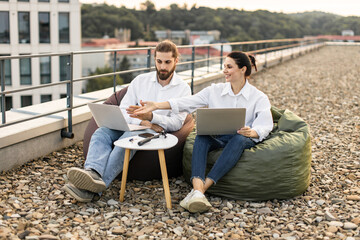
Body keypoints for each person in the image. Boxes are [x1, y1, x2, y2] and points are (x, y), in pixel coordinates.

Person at [128, 51, 273, 213]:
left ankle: (201, 190)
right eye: (224, 66)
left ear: (243, 69)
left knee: (238, 138)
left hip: (242, 138)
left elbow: (266, 125)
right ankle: (198, 190)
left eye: (229, 67)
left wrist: (252, 131)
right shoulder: (215, 90)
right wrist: (156, 105)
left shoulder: (258, 97)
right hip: (219, 136)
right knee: (202, 135)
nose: (224, 70)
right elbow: (186, 102)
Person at [63, 40, 191, 202]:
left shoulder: (183, 88)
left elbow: (177, 123)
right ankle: (92, 172)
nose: (163, 67)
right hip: (134, 124)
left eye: (167, 62)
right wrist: (141, 120)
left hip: (153, 131)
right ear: (154, 60)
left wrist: (151, 119)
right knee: (101, 132)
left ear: (176, 61)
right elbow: (124, 109)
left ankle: (94, 190)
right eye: (159, 62)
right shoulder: (140, 81)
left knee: (123, 145)